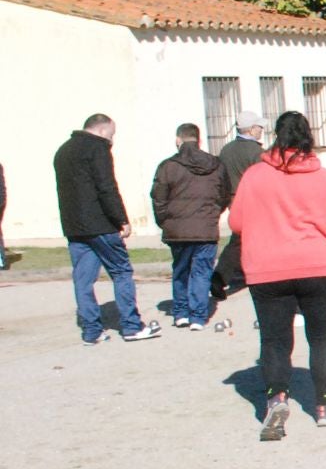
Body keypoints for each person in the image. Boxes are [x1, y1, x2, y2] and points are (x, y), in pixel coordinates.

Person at [227, 111, 326, 439]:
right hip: (317, 267)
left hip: (267, 270)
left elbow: (236, 223)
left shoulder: (254, 175)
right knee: (322, 338)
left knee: (274, 340)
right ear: (309, 136)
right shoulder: (324, 178)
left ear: (275, 136)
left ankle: (276, 399)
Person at [54, 114, 156, 344]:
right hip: (100, 223)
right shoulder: (98, 148)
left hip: (75, 226)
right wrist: (121, 219)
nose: (112, 139)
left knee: (83, 279)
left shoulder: (63, 150)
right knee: (121, 272)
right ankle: (131, 326)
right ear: (102, 130)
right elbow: (106, 187)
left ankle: (92, 331)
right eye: (112, 134)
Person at [150, 122, 226, 330]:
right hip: (205, 228)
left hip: (178, 229)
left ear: (178, 140)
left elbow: (158, 198)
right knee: (202, 272)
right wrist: (212, 215)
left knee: (181, 270)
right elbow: (223, 195)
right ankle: (198, 317)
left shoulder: (167, 166)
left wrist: (165, 221)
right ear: (199, 140)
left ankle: (181, 313)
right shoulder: (216, 165)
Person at [212, 110, 267, 304]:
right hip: (253, 201)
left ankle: (227, 275)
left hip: (233, 200)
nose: (261, 130)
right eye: (259, 127)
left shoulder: (226, 150)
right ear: (251, 129)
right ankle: (220, 276)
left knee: (241, 238)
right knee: (244, 241)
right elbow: (263, 180)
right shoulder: (257, 152)